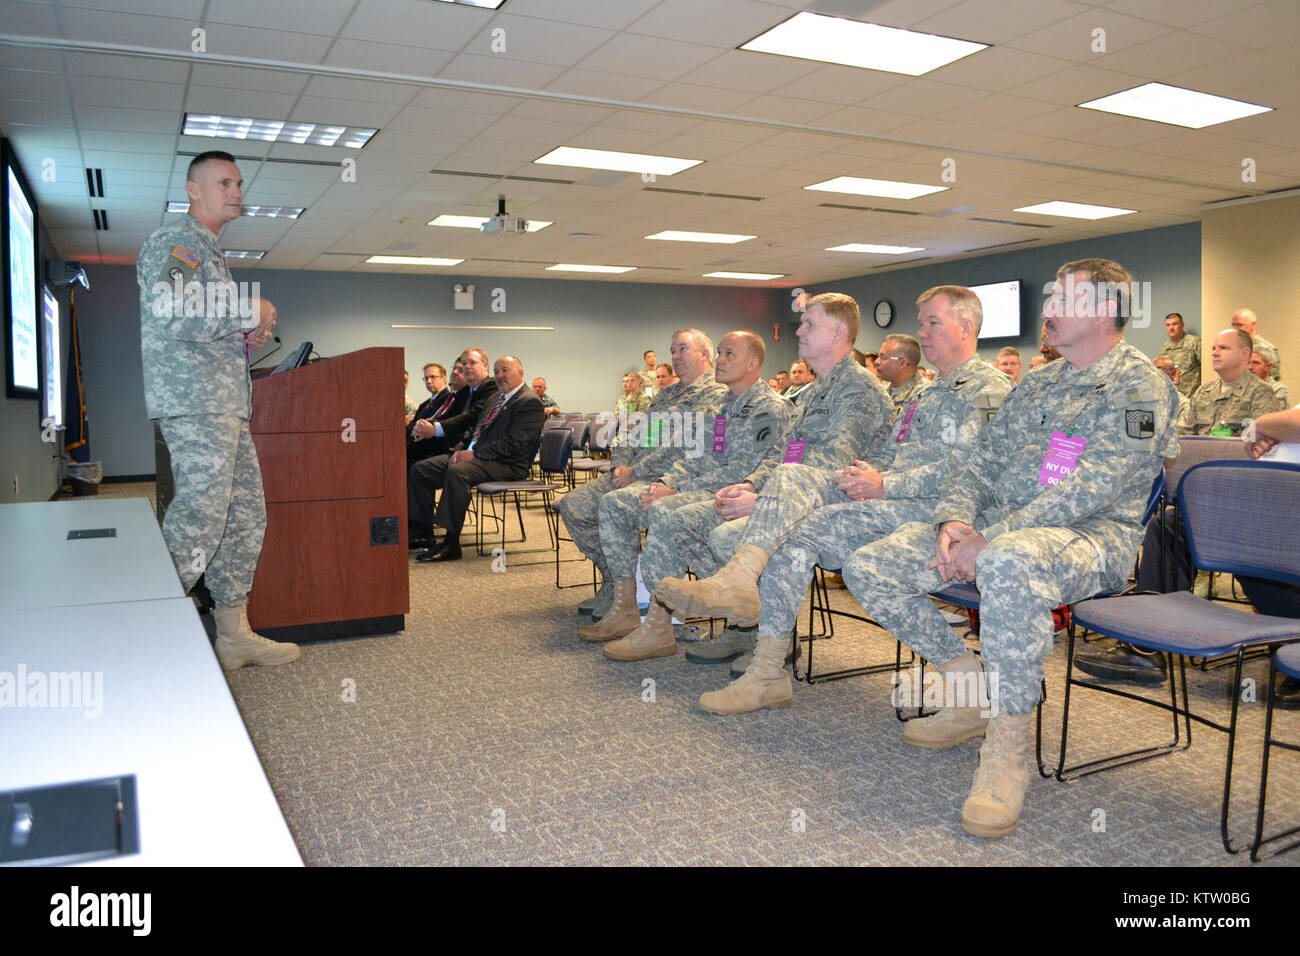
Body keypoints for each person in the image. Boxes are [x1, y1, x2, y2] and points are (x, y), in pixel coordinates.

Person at [842, 258, 1178, 838]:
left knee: (1008, 562)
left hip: (1091, 537)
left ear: (1103, 312)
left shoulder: (1141, 385)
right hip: (995, 528)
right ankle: (972, 691)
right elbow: (981, 463)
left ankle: (1007, 744)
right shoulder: (1040, 382)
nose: (1047, 311)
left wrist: (987, 540)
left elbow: (1093, 487)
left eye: (1062, 301)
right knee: (869, 565)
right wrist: (954, 521)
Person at [678, 286, 1012, 715]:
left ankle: (746, 594)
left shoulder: (988, 390)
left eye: (933, 322)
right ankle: (767, 670)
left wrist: (885, 484)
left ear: (966, 327)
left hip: (944, 513)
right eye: (922, 322)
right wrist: (869, 476)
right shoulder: (928, 392)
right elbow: (892, 453)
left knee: (799, 503)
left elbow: (970, 472)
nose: (922, 333)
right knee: (796, 525)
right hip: (894, 499)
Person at [652, 293, 893, 661]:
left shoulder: (856, 387)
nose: (800, 331)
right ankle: (744, 625)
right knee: (686, 521)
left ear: (839, 332)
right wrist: (752, 486)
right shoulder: (817, 390)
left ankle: (765, 635)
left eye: (810, 324)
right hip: (790, 500)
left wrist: (760, 500)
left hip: (838, 507)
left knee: (723, 534)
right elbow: (783, 456)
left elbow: (829, 470)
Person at [138, 150, 297, 670]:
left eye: (238, 183)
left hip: (224, 407)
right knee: (201, 518)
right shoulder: (177, 240)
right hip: (196, 405)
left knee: (244, 517)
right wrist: (250, 307)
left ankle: (232, 635)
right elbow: (170, 309)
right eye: (223, 182)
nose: (235, 191)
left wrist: (243, 326)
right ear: (193, 190)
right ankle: (142, 624)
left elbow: (201, 320)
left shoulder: (211, 253)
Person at [582, 331, 791, 660]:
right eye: (719, 353)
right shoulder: (722, 406)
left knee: (667, 514)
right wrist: (666, 482)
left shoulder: (769, 409)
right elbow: (698, 455)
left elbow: (742, 468)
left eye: (728, 354)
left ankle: (667, 622)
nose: (719, 360)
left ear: (753, 364)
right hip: (706, 485)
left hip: (738, 494)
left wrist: (678, 490)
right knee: (615, 502)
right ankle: (632, 610)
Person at [555, 330, 729, 620]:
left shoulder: (717, 395)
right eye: (672, 350)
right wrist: (619, 465)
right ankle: (616, 582)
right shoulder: (667, 395)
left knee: (616, 505)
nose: (675, 356)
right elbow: (635, 435)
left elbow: (684, 447)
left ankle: (633, 599)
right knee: (575, 504)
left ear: (705, 354)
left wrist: (635, 471)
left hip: (669, 480)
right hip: (632, 473)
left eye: (683, 349)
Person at [408, 356, 544, 562]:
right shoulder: (496, 399)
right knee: (422, 469)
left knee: (458, 472)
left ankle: (451, 543)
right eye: (496, 371)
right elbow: (476, 432)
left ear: (521, 372)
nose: (499, 376)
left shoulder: (529, 401)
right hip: (481, 458)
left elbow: (515, 443)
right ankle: (423, 533)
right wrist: (460, 451)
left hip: (508, 464)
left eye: (505, 370)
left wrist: (475, 454)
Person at [1177, 329, 1282, 436]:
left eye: (1223, 348)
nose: (1215, 353)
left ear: (1244, 354)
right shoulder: (1203, 392)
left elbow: (1262, 441)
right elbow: (1181, 434)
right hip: (1198, 452)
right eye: (1213, 348)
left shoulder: (1261, 393)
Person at [875, 333, 930, 414]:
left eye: (883, 357)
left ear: (902, 363)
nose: (876, 361)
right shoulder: (880, 389)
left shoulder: (926, 396)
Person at [1157, 312, 1200, 398]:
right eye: (1168, 325)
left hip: (1191, 399)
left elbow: (1207, 368)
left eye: (1174, 324)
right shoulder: (1164, 348)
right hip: (1172, 400)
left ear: (1182, 325)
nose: (1171, 328)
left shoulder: (1194, 342)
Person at [1232, 308, 1279, 380]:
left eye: (1240, 325)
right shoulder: (1233, 347)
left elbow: (1272, 379)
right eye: (1233, 325)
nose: (1235, 329)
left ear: (1254, 324)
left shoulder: (1266, 348)